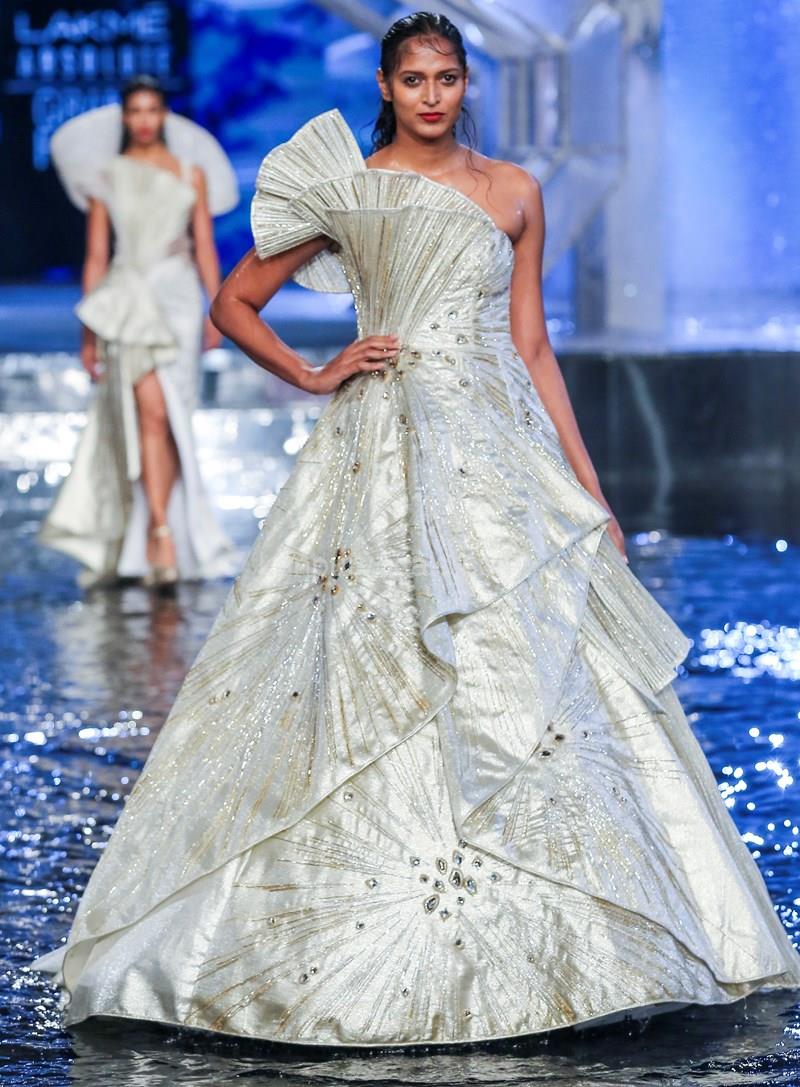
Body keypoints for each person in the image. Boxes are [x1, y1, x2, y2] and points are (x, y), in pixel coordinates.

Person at [34, 14, 800, 1045]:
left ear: (465, 82)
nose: (431, 95)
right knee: (367, 653)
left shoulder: (515, 191)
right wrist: (315, 372)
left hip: (494, 446)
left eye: (446, 77)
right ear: (388, 89)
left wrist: (588, 489)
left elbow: (531, 347)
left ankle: (571, 942)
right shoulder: (351, 186)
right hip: (380, 446)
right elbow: (234, 302)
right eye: (413, 79)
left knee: (521, 659)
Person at [39, 76, 236, 590]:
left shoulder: (190, 174)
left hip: (179, 300)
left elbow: (204, 247)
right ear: (124, 118)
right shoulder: (107, 176)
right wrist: (88, 333)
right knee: (150, 414)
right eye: (135, 111)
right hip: (128, 302)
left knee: (172, 420)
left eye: (152, 109)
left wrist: (218, 310)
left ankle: (164, 537)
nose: (144, 120)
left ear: (164, 115)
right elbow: (96, 257)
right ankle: (160, 536)